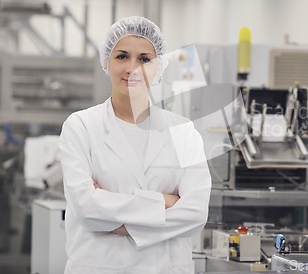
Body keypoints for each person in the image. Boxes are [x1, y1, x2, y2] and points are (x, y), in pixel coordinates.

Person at [59, 16, 211, 274]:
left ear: (159, 67)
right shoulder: (81, 126)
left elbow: (196, 214)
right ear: (106, 62)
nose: (133, 68)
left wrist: (117, 219)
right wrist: (165, 202)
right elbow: (86, 210)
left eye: (144, 59)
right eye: (121, 56)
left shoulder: (183, 132)